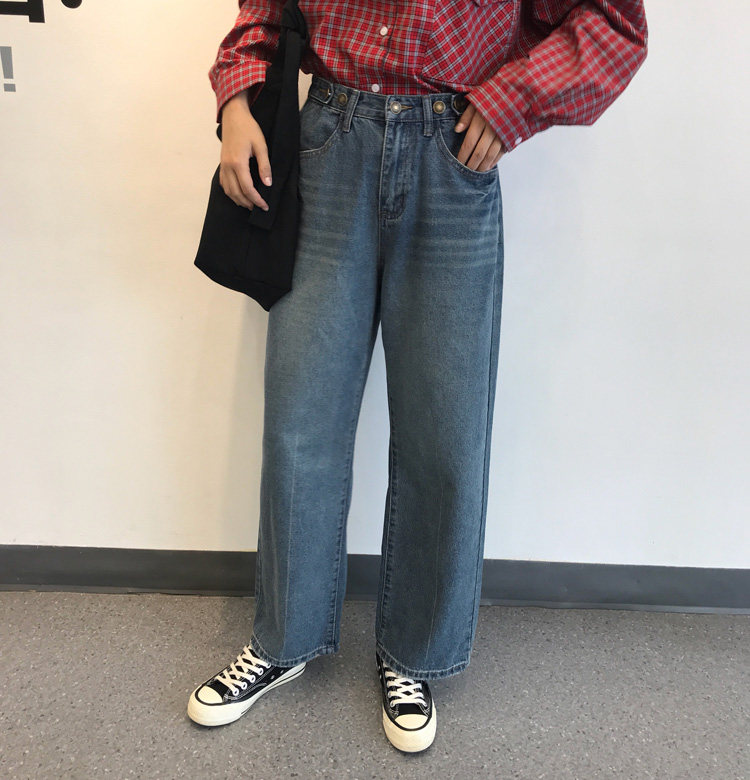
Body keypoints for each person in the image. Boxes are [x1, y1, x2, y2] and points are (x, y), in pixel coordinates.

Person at [187, 0, 648, 753]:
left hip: (451, 149)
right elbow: (265, 9)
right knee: (301, 417)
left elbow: (614, 24)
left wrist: (510, 102)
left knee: (445, 429)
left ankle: (414, 655)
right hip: (328, 142)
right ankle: (282, 638)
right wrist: (236, 102)